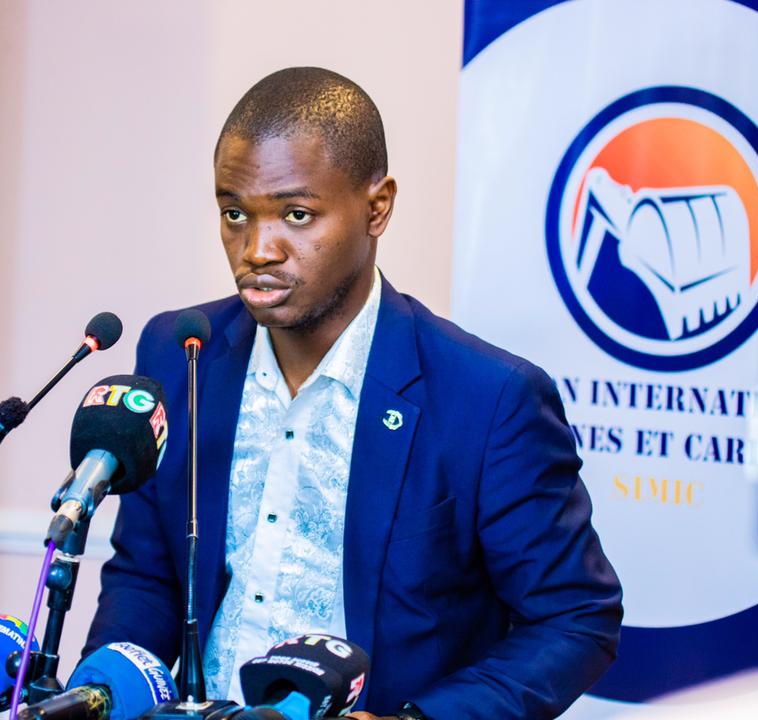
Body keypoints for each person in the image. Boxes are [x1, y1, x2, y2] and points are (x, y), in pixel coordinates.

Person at [83, 67, 623, 719]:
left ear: (377, 207)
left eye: (296, 214)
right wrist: (101, 697)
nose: (257, 249)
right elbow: (147, 575)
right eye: (235, 214)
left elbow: (575, 617)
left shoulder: (489, 399)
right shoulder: (180, 354)